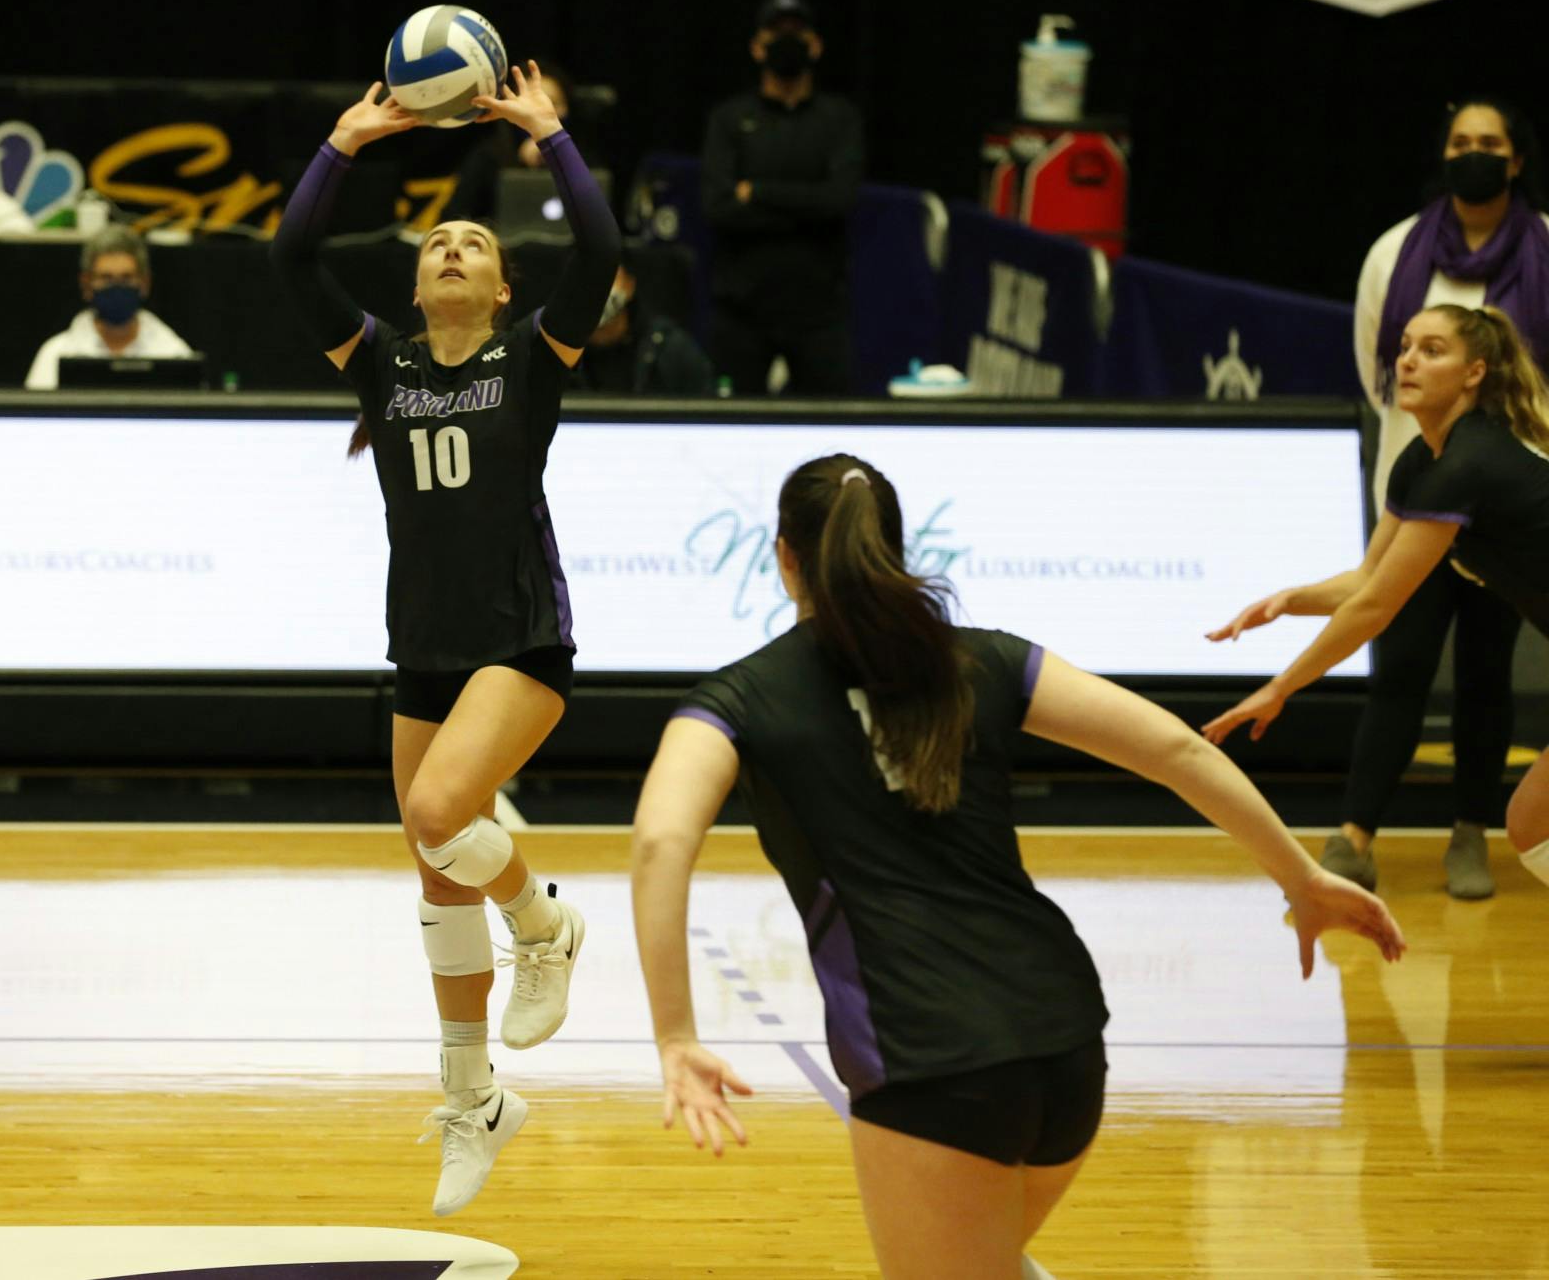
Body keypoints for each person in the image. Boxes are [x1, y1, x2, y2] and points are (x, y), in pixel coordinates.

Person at [634, 452, 1405, 1279]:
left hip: (930, 1061)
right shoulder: (989, 659)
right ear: (895, 549)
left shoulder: (740, 699)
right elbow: (1177, 748)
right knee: (991, 1261)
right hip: (1067, 1037)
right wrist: (1300, 876)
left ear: (784, 557)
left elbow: (658, 841)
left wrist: (677, 1034)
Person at [268, 63, 620, 1217]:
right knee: (431, 877)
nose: (453, 250)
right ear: (417, 289)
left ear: (505, 281)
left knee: (437, 818)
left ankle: (547, 920)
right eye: (436, 245)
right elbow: (289, 257)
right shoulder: (383, 363)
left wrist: (552, 137)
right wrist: (343, 139)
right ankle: (471, 1103)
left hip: (519, 645)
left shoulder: (531, 359)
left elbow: (604, 252)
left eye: (474, 242)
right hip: (420, 648)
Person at [1209, 304, 1549, 901]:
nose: (1409, 360)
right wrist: (1292, 600)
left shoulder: (1468, 463)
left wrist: (1281, 687)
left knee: (1531, 824)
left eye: (1433, 350)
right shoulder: (1420, 461)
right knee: (1531, 824)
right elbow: (1368, 581)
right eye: (1406, 346)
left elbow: (1375, 611)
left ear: (1474, 373)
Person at [1340, 96, 1549, 898]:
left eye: (1489, 143)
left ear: (1516, 158)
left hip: (1508, 508)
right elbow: (1376, 371)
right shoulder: (1395, 251)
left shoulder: (1544, 249)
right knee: (1399, 663)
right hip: (1420, 487)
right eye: (1460, 142)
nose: (1474, 154)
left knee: (1487, 672)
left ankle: (1470, 831)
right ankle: (1356, 833)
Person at [701, 0, 863, 396]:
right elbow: (718, 208)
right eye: (776, 33)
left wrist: (756, 192)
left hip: (818, 309)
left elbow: (839, 200)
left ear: (815, 45)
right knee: (732, 428)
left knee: (830, 427)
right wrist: (807, 203)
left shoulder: (839, 118)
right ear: (758, 47)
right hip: (742, 310)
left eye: (797, 33)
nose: (787, 42)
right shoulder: (730, 119)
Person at [24, 226, 194, 389]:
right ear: (86, 285)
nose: (117, 286)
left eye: (126, 278)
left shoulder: (174, 354)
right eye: (106, 278)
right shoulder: (55, 354)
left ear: (144, 283)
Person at [450, 60, 576, 221]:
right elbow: (454, 217)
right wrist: (521, 163)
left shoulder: (584, 158)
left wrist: (555, 154)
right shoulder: (488, 157)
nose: (542, 112)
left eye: (554, 104)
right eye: (532, 104)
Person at [575, 265, 716, 395]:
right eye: (587, 277)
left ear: (629, 285)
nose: (597, 288)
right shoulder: (558, 355)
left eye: (607, 276)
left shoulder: (672, 349)